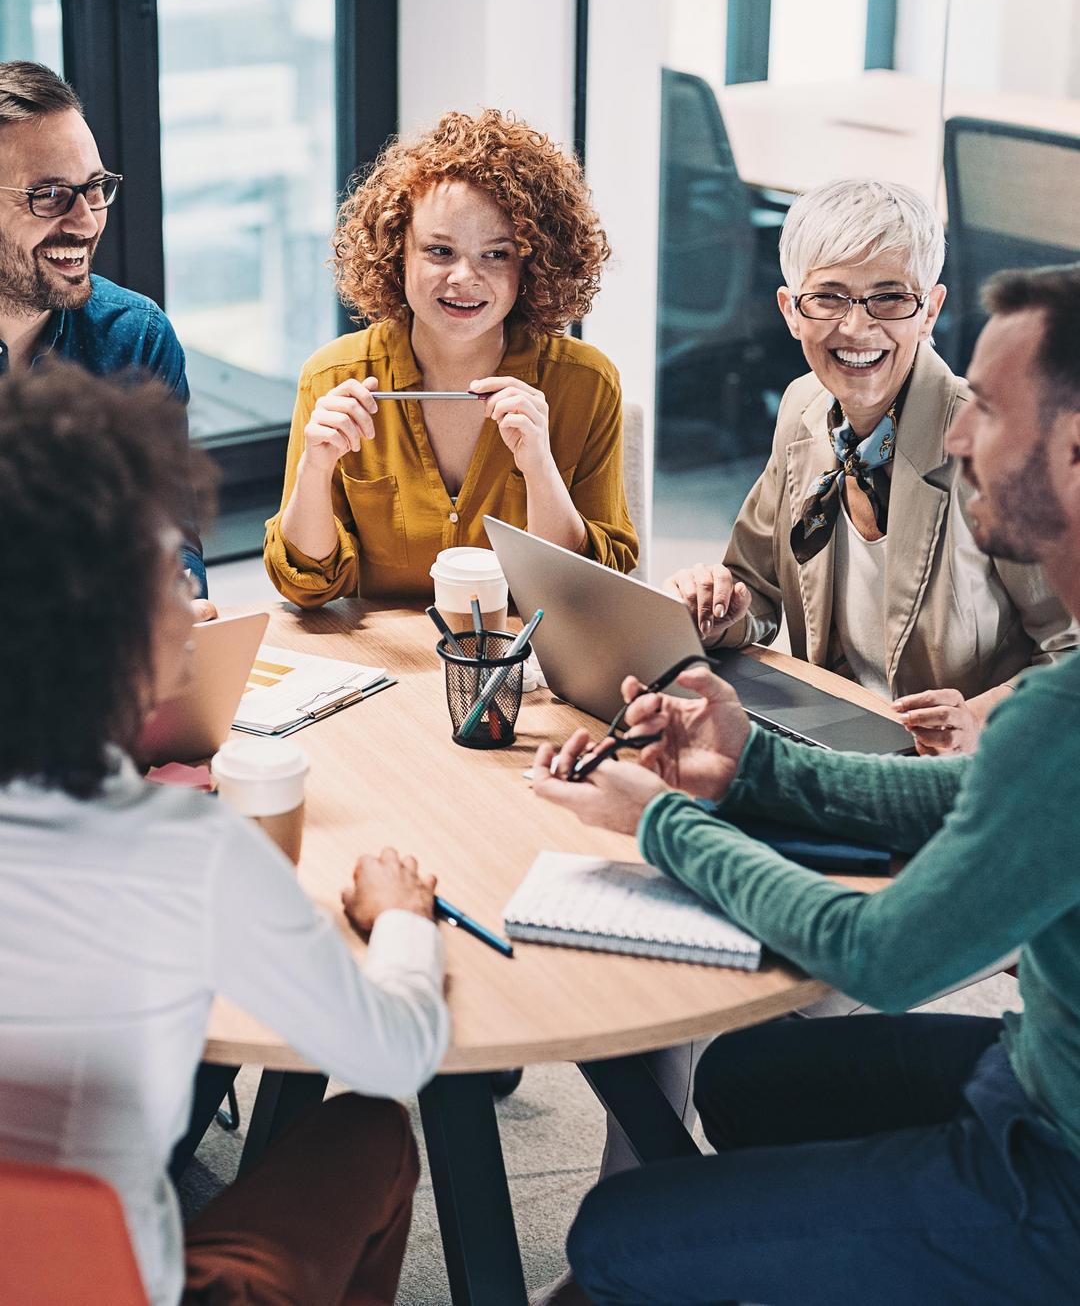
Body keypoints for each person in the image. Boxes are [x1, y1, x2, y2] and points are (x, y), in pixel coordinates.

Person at [533, 265, 1080, 1304]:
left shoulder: (1064, 712)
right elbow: (955, 804)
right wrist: (750, 762)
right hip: (1038, 1072)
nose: (958, 438)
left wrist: (667, 828)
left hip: (1057, 1177)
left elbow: (881, 955)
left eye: (991, 412)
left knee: (617, 1234)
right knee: (744, 1077)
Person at [0, 365, 449, 1306]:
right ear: (110, 635)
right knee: (370, 1130)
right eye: (169, 575)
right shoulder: (185, 853)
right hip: (109, 1285)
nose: (194, 601)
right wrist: (403, 921)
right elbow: (394, 1054)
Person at [666, 180, 1076, 756]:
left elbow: (1072, 651)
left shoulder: (997, 449)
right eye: (829, 297)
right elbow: (756, 590)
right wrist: (715, 609)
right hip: (829, 743)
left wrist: (984, 721)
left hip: (955, 775)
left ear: (929, 310)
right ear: (791, 311)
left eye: (888, 298)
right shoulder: (803, 408)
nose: (857, 328)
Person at [264, 109, 638, 605]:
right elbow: (307, 584)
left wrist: (539, 467)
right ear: (396, 253)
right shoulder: (333, 377)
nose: (464, 277)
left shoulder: (586, 383)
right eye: (439, 251)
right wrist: (315, 467)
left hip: (523, 669)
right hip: (386, 667)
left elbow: (591, 591)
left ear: (533, 263)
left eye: (496, 254)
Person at [0, 60, 213, 617]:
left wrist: (175, 602)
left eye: (93, 189)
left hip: (97, 677)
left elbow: (172, 541)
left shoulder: (136, 337)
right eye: (48, 195)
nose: (87, 222)